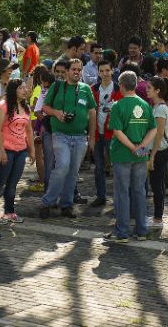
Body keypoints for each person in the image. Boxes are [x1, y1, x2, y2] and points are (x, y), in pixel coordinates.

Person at [102, 71, 157, 242]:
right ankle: (141, 230)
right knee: (139, 192)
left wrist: (132, 147)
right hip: (140, 156)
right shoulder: (145, 104)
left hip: (122, 154)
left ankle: (122, 232)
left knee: (122, 194)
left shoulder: (118, 106)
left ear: (121, 85)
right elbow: (153, 129)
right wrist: (141, 146)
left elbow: (117, 131)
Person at [39, 58, 97, 219]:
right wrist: (57, 113)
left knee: (73, 172)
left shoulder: (86, 89)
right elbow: (45, 107)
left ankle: (67, 204)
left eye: (79, 69)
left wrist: (92, 137)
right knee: (63, 166)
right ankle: (47, 201)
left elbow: (92, 112)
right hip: (60, 135)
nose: (77, 72)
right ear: (67, 71)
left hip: (80, 137)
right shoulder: (57, 86)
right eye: (74, 69)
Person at [0, 79, 35, 224]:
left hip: (20, 150)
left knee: (13, 182)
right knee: (0, 181)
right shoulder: (2, 107)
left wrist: (31, 150)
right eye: (21, 88)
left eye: (24, 88)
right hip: (5, 149)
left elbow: (28, 130)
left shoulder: (25, 107)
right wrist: (1, 151)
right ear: (13, 90)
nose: (25, 90)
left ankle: (9, 211)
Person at [90, 60, 122, 206]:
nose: (104, 74)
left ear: (113, 71)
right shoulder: (93, 89)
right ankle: (101, 196)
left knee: (117, 166)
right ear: (98, 72)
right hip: (97, 134)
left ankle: (118, 197)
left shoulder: (118, 89)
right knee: (99, 167)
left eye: (107, 70)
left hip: (113, 134)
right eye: (101, 71)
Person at [146, 76, 168, 229]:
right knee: (156, 184)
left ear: (158, 90)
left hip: (159, 151)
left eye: (149, 88)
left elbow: (158, 134)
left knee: (157, 185)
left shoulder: (161, 108)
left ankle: (158, 218)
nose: (147, 90)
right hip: (156, 150)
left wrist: (153, 156)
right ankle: (157, 216)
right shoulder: (156, 106)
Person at [32, 70, 56, 193]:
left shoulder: (44, 90)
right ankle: (48, 190)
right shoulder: (43, 91)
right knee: (49, 159)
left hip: (50, 128)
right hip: (48, 128)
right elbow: (37, 110)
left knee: (49, 159)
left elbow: (36, 111)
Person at [27, 65, 49, 193]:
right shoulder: (44, 89)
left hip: (36, 122)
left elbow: (35, 107)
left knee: (39, 154)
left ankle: (42, 181)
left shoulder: (37, 89)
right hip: (41, 122)